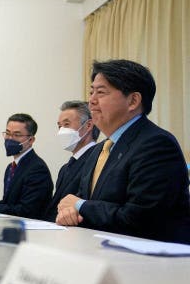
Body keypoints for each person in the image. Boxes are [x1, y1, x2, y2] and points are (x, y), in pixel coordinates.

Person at [57, 59, 190, 243]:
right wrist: (68, 212)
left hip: (150, 262)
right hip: (98, 251)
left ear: (133, 100)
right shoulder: (98, 150)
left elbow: (139, 218)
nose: (91, 101)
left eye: (101, 92)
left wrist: (80, 206)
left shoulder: (156, 144)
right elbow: (80, 202)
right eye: (91, 92)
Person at [0, 113, 53, 220]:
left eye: (17, 134)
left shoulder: (37, 169)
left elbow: (27, 210)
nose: (10, 139)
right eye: (7, 133)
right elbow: (9, 204)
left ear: (31, 140)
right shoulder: (11, 167)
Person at [43, 100, 99, 221]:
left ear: (88, 125)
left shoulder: (98, 160)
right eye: (59, 126)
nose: (61, 131)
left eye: (66, 124)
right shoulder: (65, 168)